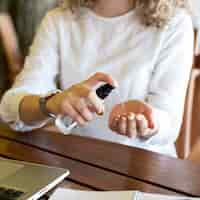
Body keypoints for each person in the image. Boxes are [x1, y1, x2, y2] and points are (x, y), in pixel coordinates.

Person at [0, 0, 194, 157]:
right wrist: (51, 103)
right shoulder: (59, 19)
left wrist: (149, 122)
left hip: (146, 171)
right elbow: (10, 108)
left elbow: (169, 125)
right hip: (81, 165)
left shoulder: (175, 22)